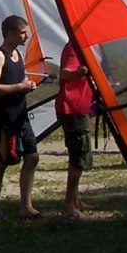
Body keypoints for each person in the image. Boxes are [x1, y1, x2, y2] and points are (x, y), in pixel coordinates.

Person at [0, 15, 40, 220]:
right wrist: (19, 87)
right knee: (2, 162)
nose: (26, 36)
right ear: (10, 33)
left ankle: (26, 206)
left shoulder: (18, 54)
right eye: (22, 32)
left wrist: (27, 85)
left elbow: (18, 80)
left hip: (21, 116)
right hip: (3, 119)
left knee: (32, 157)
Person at [56, 39, 95, 218]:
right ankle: (68, 206)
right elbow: (63, 73)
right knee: (78, 157)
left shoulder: (86, 47)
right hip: (72, 108)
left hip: (80, 107)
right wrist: (79, 72)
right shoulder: (74, 47)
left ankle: (75, 200)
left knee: (80, 155)